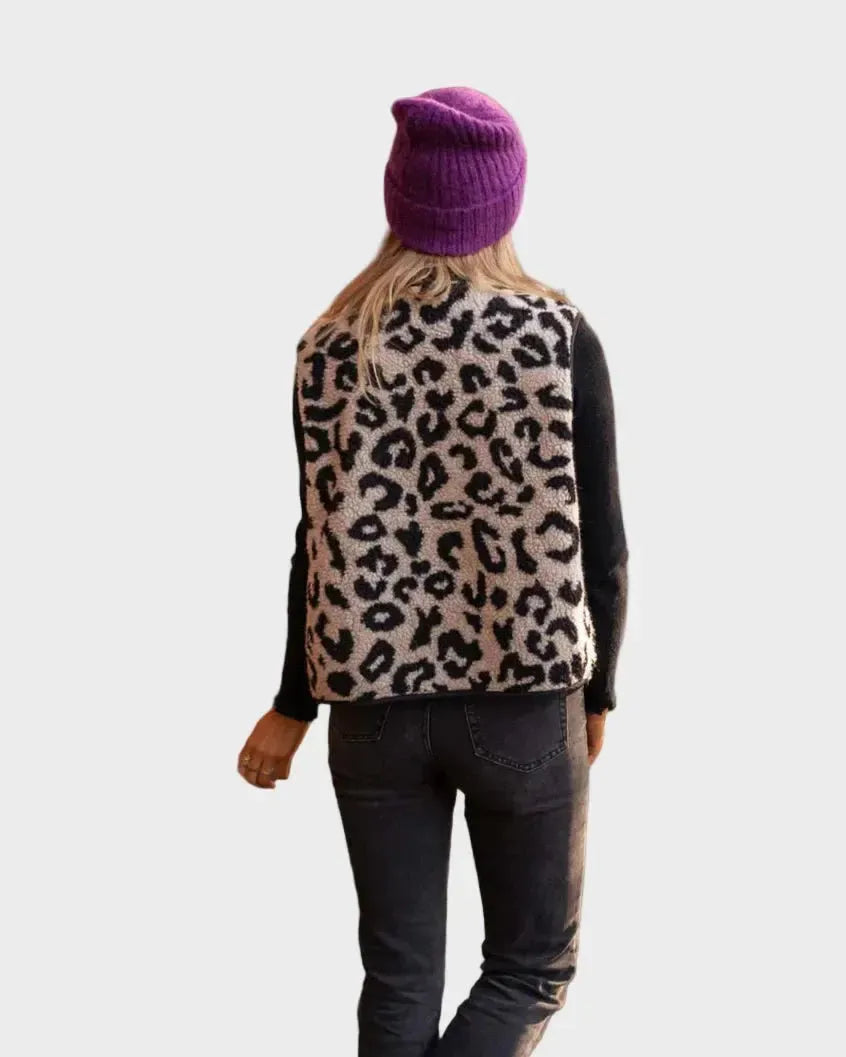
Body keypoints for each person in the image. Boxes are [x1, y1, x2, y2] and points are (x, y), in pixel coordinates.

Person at [238, 86, 628, 1057]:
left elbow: (318, 541)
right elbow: (604, 546)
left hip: (370, 711)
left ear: (399, 197)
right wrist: (600, 692)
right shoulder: (555, 338)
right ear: (507, 202)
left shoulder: (330, 347)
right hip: (522, 700)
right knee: (529, 968)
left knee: (399, 974)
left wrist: (292, 704)